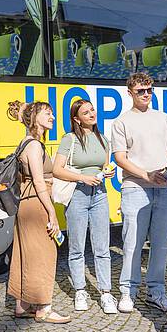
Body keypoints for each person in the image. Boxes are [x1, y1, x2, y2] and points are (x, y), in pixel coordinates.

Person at [111, 73, 167, 313]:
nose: (146, 94)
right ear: (129, 93)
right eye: (141, 91)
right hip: (135, 187)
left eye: (149, 90)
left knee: (161, 244)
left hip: (165, 188)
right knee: (132, 243)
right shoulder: (121, 122)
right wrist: (145, 175)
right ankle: (127, 292)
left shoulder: (164, 118)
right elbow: (120, 158)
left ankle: (156, 291)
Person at [6, 100, 71, 324]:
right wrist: (52, 213)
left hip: (27, 202)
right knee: (45, 253)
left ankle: (22, 305)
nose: (52, 117)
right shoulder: (33, 145)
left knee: (26, 253)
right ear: (34, 118)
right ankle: (44, 307)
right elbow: (39, 182)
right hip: (36, 203)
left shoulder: (25, 143)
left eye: (52, 113)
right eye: (47, 113)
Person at [53, 99, 116, 314]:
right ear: (76, 119)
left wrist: (108, 172)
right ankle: (80, 290)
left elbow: (104, 165)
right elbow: (57, 170)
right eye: (85, 112)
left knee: (102, 247)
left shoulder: (104, 140)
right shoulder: (69, 140)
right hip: (77, 196)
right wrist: (82, 178)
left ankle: (106, 293)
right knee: (77, 247)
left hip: (100, 195)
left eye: (92, 110)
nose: (91, 114)